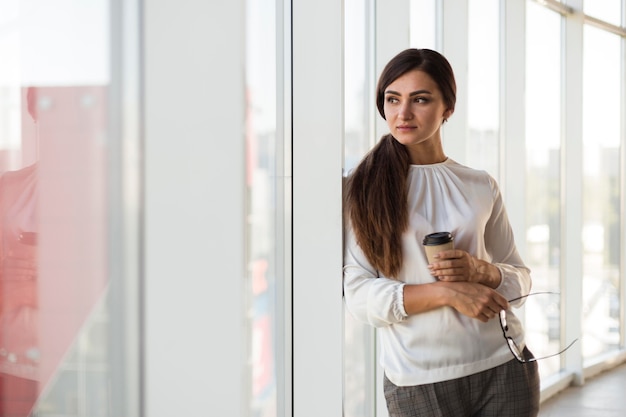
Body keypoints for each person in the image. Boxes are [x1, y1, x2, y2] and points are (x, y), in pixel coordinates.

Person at [343, 48, 540, 416]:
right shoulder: (363, 188)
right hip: (419, 382)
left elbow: (522, 281)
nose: (403, 113)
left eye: (420, 99)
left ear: (448, 108)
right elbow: (358, 294)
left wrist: (482, 272)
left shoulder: (481, 185)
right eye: (392, 99)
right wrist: (446, 293)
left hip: (505, 365)